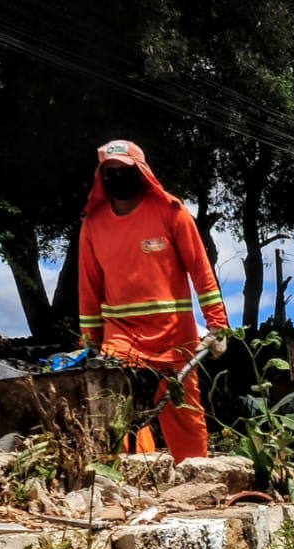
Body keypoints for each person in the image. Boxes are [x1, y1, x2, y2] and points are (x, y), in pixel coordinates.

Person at [78, 139, 228, 462]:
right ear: (102, 176)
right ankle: (119, 480)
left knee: (184, 413)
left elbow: (201, 272)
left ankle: (197, 479)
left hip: (175, 339)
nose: (118, 176)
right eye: (110, 172)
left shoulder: (171, 212)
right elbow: (89, 289)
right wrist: (90, 342)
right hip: (121, 338)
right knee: (115, 412)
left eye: (124, 170)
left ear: (141, 171)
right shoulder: (93, 226)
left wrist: (218, 325)